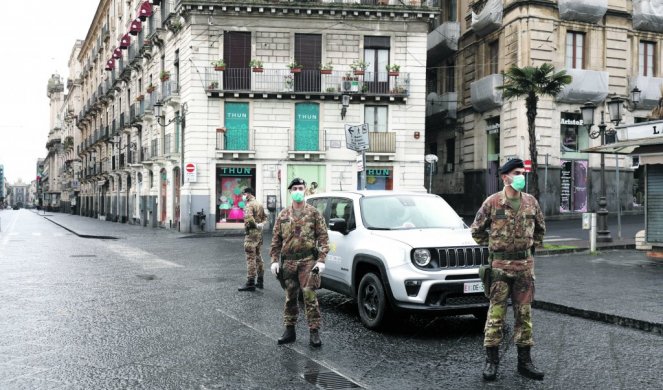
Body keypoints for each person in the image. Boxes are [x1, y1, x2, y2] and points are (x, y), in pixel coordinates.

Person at [470, 158, 546, 382]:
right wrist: (496, 247)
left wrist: (528, 251)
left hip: (524, 268)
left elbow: (540, 230)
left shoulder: (531, 202)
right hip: (500, 268)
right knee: (495, 316)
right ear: (505, 177)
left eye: (523, 172)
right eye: (516, 172)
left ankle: (525, 363)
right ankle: (491, 362)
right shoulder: (493, 203)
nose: (521, 176)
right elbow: (476, 231)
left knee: (524, 316)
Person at [269, 178, 329, 347]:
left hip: (308, 261)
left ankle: (314, 332)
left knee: (309, 295)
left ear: (305, 190)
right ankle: (289, 331)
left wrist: (321, 260)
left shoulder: (314, 213)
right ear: (290, 191)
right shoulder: (283, 215)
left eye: (300, 188)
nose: (297, 191)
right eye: (294, 188)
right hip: (288, 263)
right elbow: (276, 240)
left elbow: (324, 238)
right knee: (290, 297)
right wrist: (274, 261)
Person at [238, 187, 267, 292]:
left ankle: (250, 283)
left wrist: (254, 225)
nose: (243, 196)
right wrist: (260, 225)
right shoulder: (259, 204)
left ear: (248, 194)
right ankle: (260, 281)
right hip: (259, 234)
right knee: (258, 256)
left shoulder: (249, 205)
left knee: (250, 258)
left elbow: (249, 219)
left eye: (244, 194)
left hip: (251, 235)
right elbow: (265, 218)